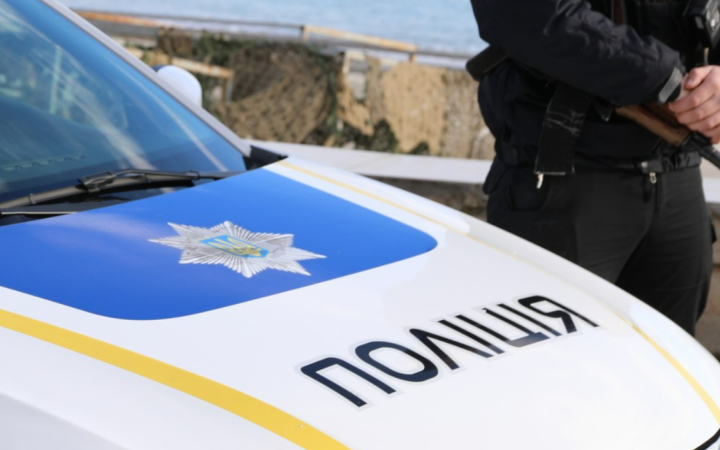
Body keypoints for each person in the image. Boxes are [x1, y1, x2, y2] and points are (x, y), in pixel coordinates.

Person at [469, 0, 720, 335]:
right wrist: (669, 79)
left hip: (679, 176)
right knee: (546, 361)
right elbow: (525, 15)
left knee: (667, 361)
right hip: (566, 180)